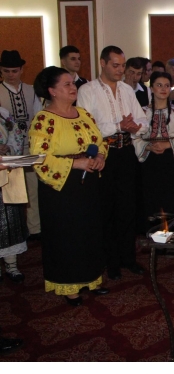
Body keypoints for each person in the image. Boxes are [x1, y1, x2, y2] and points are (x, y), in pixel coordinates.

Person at [30, 66, 109, 306]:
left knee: (89, 231)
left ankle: (91, 278)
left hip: (88, 184)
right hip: (61, 188)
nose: (73, 87)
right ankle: (69, 284)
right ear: (52, 91)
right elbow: (39, 158)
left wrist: (100, 157)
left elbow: (99, 141)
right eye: (66, 84)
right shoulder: (44, 120)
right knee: (67, 234)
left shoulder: (83, 114)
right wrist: (76, 163)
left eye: (73, 83)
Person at [77, 45, 149, 281]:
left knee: (128, 207)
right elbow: (86, 127)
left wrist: (136, 126)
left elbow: (142, 118)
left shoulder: (127, 90)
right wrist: (118, 125)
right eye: (115, 65)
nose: (120, 70)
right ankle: (111, 262)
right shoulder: (87, 90)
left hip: (126, 151)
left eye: (122, 65)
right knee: (106, 209)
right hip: (103, 154)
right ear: (103, 63)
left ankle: (128, 258)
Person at [133, 72, 174, 223]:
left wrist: (167, 144)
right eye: (159, 85)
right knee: (150, 200)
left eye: (167, 86)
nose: (163, 89)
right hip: (149, 162)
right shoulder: (142, 112)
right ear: (151, 88)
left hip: (172, 161)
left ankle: (173, 233)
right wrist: (148, 146)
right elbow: (134, 137)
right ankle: (151, 234)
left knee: (172, 200)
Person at [0, 50, 43, 241]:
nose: (11, 74)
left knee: (33, 189)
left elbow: (38, 117)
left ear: (21, 70)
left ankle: (35, 229)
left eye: (14, 71)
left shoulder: (31, 90)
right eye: (6, 71)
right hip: (7, 151)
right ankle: (15, 231)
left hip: (30, 147)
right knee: (11, 192)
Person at [0, 105, 28, 283]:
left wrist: (8, 149)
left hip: (5, 174)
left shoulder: (4, 114)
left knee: (10, 221)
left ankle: (11, 264)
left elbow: (17, 138)